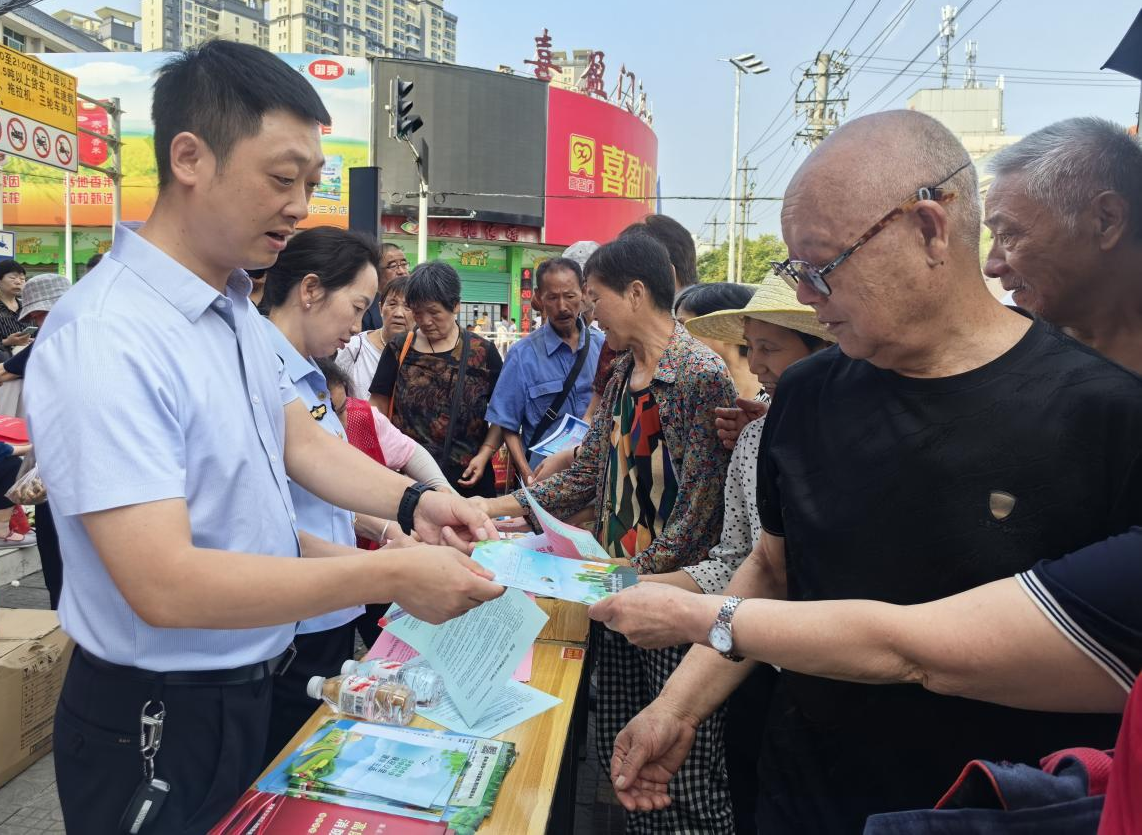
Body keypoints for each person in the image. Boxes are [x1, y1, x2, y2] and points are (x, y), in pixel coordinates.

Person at [588, 109, 1142, 833]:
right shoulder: (807, 395)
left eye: (822, 268)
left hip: (989, 809)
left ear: (930, 230)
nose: (806, 296)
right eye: (795, 271)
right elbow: (772, 569)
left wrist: (692, 617)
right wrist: (676, 707)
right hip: (803, 792)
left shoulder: (1107, 414)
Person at [24, 41, 502, 835]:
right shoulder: (109, 335)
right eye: (283, 179)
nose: (299, 206)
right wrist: (387, 574)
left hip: (246, 691)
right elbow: (165, 582)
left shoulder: (234, 314)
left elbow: (300, 446)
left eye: (311, 183)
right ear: (190, 158)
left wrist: (416, 503)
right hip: (156, 722)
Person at [478, 233, 738, 833]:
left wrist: (629, 579)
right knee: (622, 741)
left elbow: (698, 513)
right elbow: (587, 473)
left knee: (680, 764)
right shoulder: (623, 375)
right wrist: (496, 508)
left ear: (637, 292)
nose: (590, 312)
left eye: (595, 297)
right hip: (616, 586)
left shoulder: (698, 377)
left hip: (671, 600)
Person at [259, 225, 417, 763]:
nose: (357, 327)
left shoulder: (310, 378)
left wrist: (391, 526)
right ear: (310, 290)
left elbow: (329, 488)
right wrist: (390, 568)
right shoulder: (259, 372)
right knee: (286, 757)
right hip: (293, 618)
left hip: (330, 609)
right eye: (357, 307)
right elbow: (269, 523)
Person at [984, 117, 1142, 372]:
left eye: (1008, 235)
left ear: (1106, 220)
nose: (991, 267)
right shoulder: (1003, 346)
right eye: (994, 237)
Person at [369, 262, 504, 497]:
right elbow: (377, 408)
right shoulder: (399, 349)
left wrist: (484, 454)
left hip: (469, 481)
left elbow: (504, 413)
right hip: (410, 482)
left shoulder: (483, 352)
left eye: (433, 312)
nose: (425, 321)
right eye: (417, 312)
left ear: (455, 305)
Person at [485, 257, 604, 483]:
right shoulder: (522, 355)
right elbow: (508, 425)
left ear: (583, 292)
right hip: (545, 480)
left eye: (569, 296)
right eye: (552, 297)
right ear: (539, 297)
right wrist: (527, 474)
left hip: (595, 477)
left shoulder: (604, 347)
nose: (562, 306)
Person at [0, 272, 71, 604]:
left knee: (61, 556)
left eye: (41, 314)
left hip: (65, 464)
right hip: (65, 458)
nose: (39, 322)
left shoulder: (54, 338)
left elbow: (6, 372)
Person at [674, 282, 758, 402]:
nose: (677, 335)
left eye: (683, 326)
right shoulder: (688, 384)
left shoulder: (776, 385)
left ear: (723, 326)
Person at [336, 275, 411, 399]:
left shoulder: (424, 352)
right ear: (380, 308)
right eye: (392, 304)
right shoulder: (354, 347)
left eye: (408, 306)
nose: (398, 313)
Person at [360, 242, 410, 331]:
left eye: (404, 264)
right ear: (376, 271)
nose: (402, 271)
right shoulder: (365, 308)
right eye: (393, 266)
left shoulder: (416, 301)